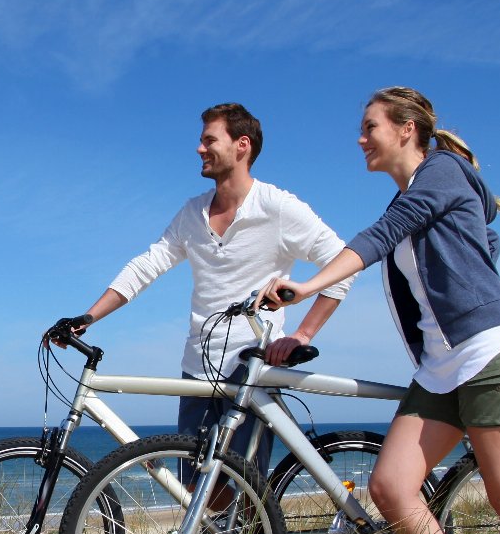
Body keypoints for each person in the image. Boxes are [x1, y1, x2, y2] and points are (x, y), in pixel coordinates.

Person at [259, 87, 500, 534]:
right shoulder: (423, 196)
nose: (360, 137)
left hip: (492, 353)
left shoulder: (442, 172)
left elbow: (381, 236)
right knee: (392, 487)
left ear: (406, 129)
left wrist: (307, 286)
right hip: (441, 367)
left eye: (370, 125)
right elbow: (479, 241)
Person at [54, 103, 354, 476]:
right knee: (195, 492)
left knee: (245, 495)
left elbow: (343, 264)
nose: (199, 148)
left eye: (209, 140)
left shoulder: (277, 207)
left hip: (251, 366)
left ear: (241, 145)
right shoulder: (192, 213)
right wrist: (88, 317)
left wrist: (302, 334)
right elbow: (147, 266)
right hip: (197, 367)